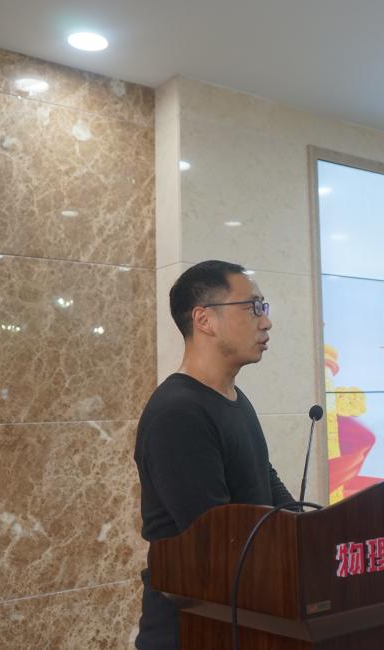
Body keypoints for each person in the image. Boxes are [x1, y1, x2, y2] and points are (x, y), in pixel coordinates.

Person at [134, 260, 294, 650]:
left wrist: (310, 533)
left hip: (239, 618)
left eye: (264, 307)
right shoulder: (178, 412)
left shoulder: (233, 398)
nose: (266, 321)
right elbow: (217, 536)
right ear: (204, 319)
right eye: (253, 307)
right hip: (193, 628)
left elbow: (264, 481)